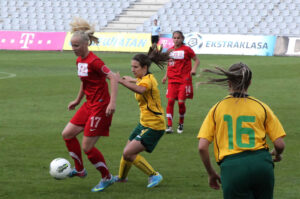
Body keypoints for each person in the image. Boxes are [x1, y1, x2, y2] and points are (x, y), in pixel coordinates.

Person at [197, 63, 286, 199]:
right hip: (262, 164)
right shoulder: (261, 106)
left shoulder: (217, 109)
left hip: (233, 168)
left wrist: (211, 173)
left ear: (228, 83)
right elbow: (280, 144)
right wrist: (277, 154)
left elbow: (202, 147)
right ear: (249, 83)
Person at [61, 18, 118, 192]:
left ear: (86, 44)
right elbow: (84, 83)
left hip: (101, 106)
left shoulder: (95, 61)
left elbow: (113, 77)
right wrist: (77, 100)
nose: (73, 49)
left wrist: (112, 102)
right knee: (67, 134)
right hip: (88, 104)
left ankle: (107, 177)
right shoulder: (80, 61)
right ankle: (79, 169)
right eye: (72, 45)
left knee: (87, 147)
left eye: (76, 45)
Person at [114, 45, 169, 188]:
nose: (132, 69)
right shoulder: (144, 77)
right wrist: (131, 79)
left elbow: (141, 88)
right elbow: (139, 82)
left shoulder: (148, 81)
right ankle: (121, 178)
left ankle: (154, 175)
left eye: (135, 67)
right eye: (132, 66)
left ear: (144, 67)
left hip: (154, 125)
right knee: (126, 153)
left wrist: (122, 81)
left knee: (128, 152)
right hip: (144, 123)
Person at [162, 31, 200, 134]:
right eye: (174, 38)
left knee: (180, 103)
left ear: (182, 39)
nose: (176, 39)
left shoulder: (187, 50)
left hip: (184, 80)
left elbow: (197, 60)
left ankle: (181, 123)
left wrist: (194, 70)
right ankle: (169, 126)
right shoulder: (169, 51)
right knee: (170, 102)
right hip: (172, 80)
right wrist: (165, 76)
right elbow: (169, 64)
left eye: (178, 38)